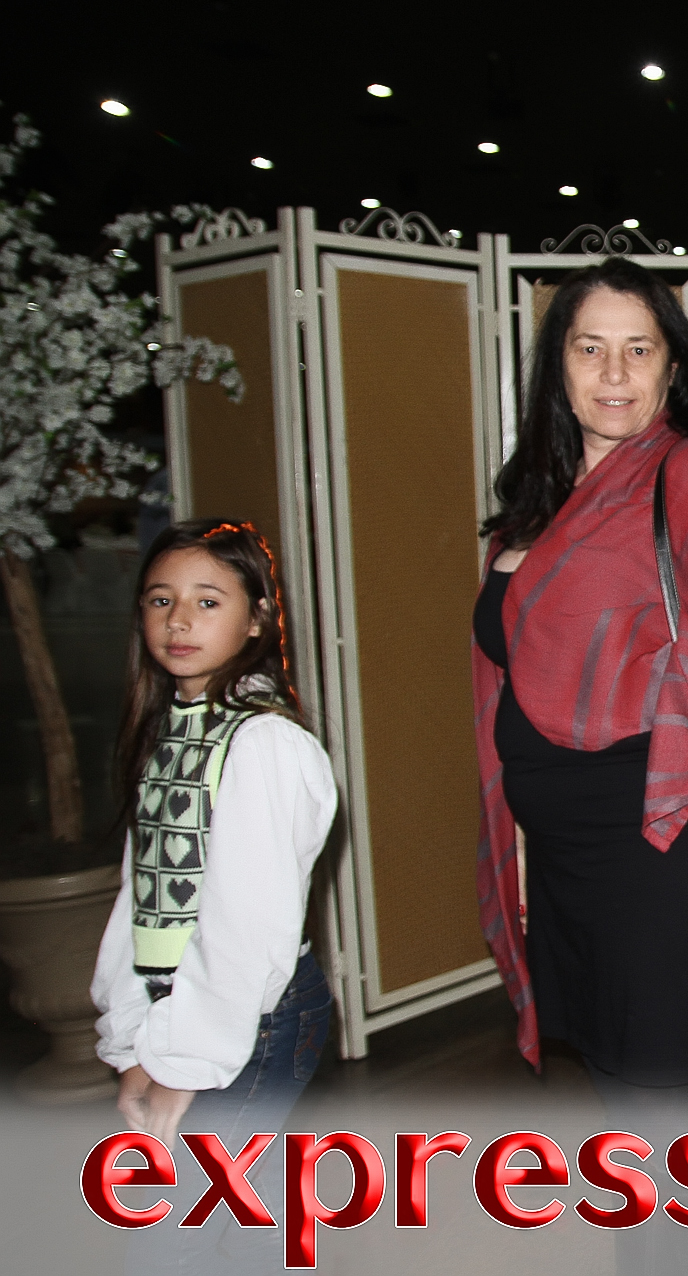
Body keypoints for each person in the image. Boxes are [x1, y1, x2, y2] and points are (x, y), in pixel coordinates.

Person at [473, 257, 688, 1275]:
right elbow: (515, 693)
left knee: (669, 1124)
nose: (614, 372)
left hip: (659, 851)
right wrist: (524, 862)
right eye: (590, 348)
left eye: (639, 349)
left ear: (674, 367)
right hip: (570, 866)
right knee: (628, 1120)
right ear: (557, 366)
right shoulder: (534, 504)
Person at [91, 519, 337, 1275]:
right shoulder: (171, 730)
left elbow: (246, 929)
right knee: (247, 1224)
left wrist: (183, 1063)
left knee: (174, 1232)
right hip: (184, 1015)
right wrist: (133, 1042)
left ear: (257, 618)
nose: (179, 620)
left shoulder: (263, 743)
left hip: (250, 1017)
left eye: (207, 601)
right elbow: (143, 903)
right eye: (160, 599)